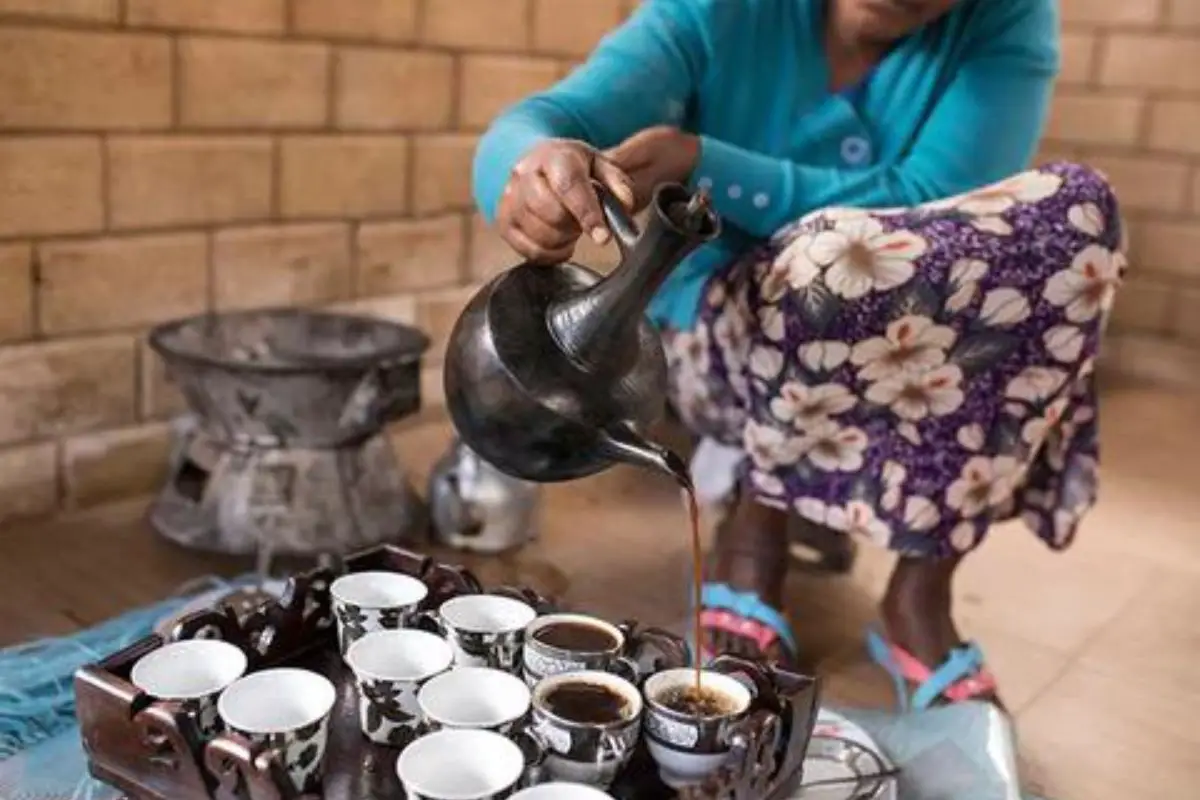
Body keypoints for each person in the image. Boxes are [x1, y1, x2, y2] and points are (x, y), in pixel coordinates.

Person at [472, 0, 1123, 710]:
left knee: (1075, 218)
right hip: (722, 350)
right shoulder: (719, 12)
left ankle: (922, 589)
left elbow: (934, 200)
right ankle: (755, 537)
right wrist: (530, 169)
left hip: (916, 347)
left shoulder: (1009, 18)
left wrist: (704, 160)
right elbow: (548, 121)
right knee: (825, 259)